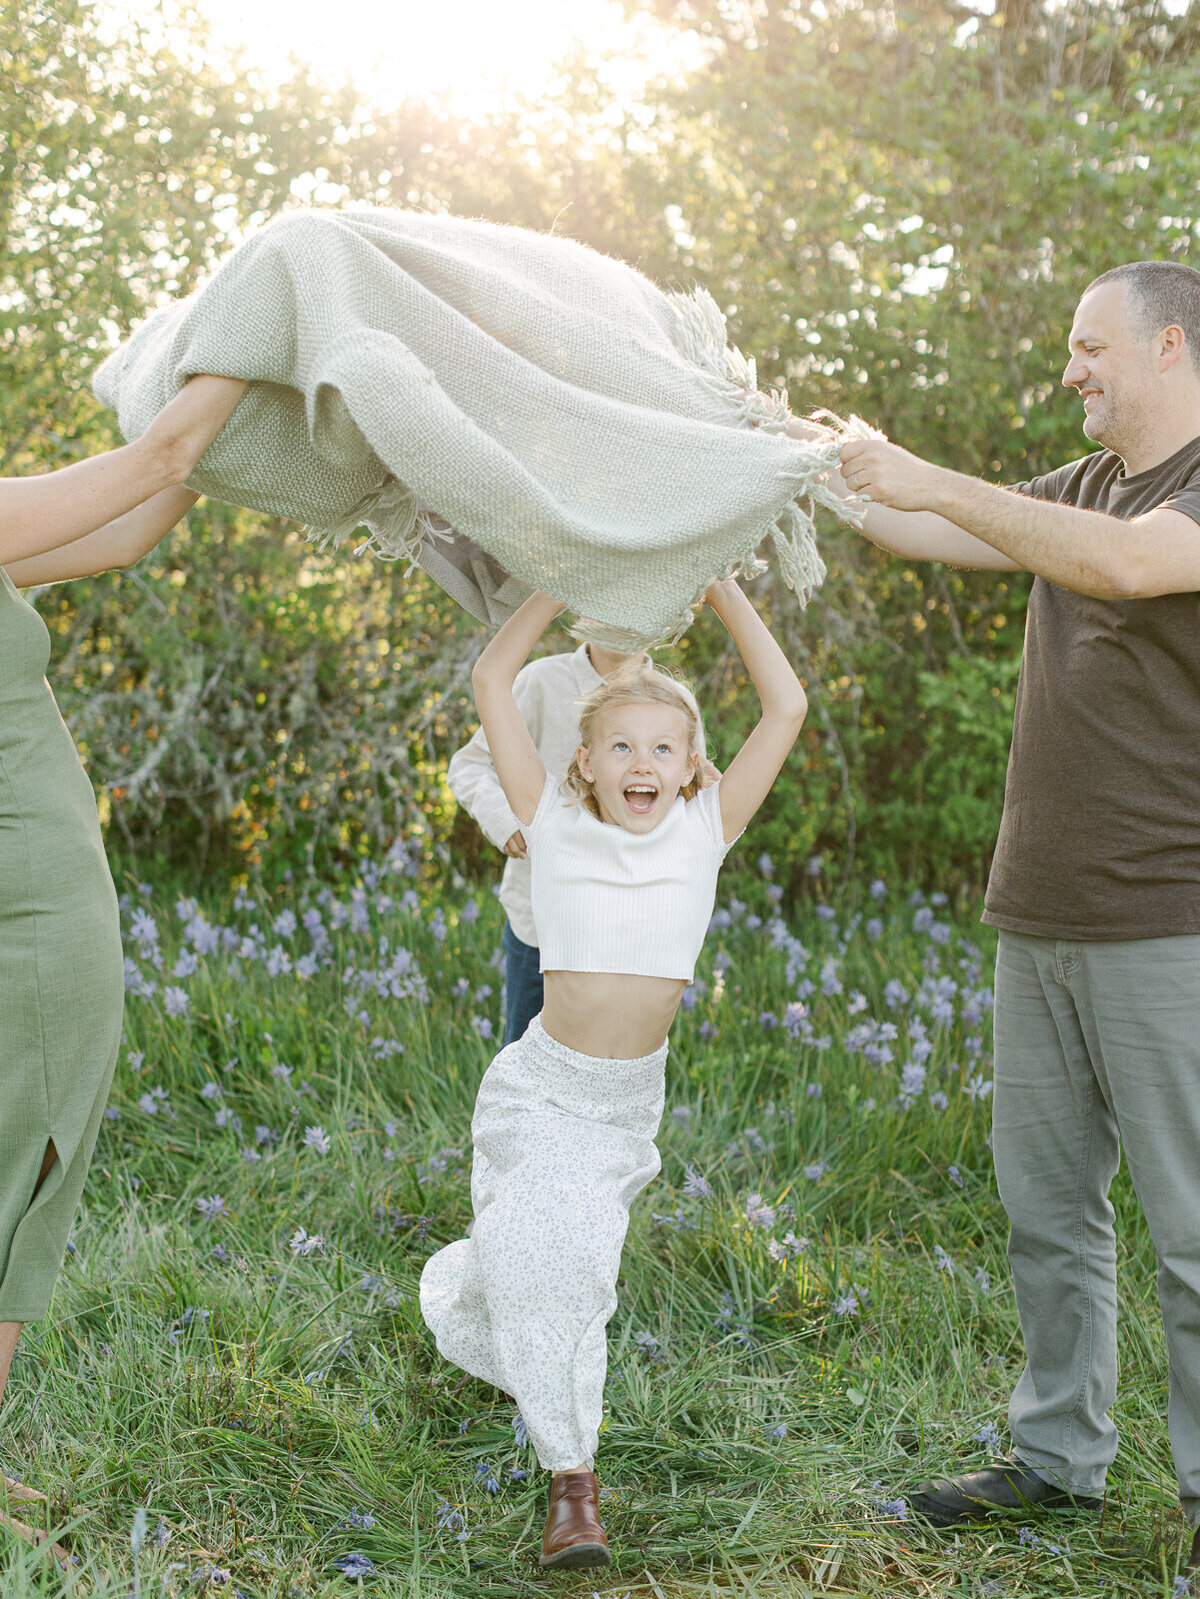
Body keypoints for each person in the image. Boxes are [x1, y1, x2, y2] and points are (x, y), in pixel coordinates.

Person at [838, 260, 1200, 1585]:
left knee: (1195, 1229)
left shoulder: (1171, 504)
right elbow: (922, 529)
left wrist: (926, 470)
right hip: (1035, 915)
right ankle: (1058, 1457)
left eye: (1088, 347)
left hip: (1170, 916)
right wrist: (815, 454)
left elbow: (1124, 567)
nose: (1071, 371)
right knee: (1048, 1212)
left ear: (1171, 345)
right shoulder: (1082, 487)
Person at [420, 581, 806, 1569]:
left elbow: (787, 706)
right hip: (540, 1088)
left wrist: (721, 592)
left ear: (689, 771)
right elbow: (491, 676)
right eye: (621, 747)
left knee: (537, 1271)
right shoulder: (549, 823)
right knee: (572, 1272)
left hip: (626, 1106)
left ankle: (501, 1313)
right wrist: (563, 583)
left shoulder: (704, 833)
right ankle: (573, 1493)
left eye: (663, 748)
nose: (642, 762)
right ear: (583, 764)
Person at [0, 373, 246, 1563]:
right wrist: (256, 321)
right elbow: (154, 460)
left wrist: (240, 431)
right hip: (26, 912)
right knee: (31, 1161)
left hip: (33, 895)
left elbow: (141, 520)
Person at [447, 639, 707, 1046]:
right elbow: (470, 764)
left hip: (635, 924)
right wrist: (504, 820)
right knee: (525, 1046)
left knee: (620, 1054)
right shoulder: (541, 681)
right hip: (542, 922)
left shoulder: (675, 699)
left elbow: (692, 799)